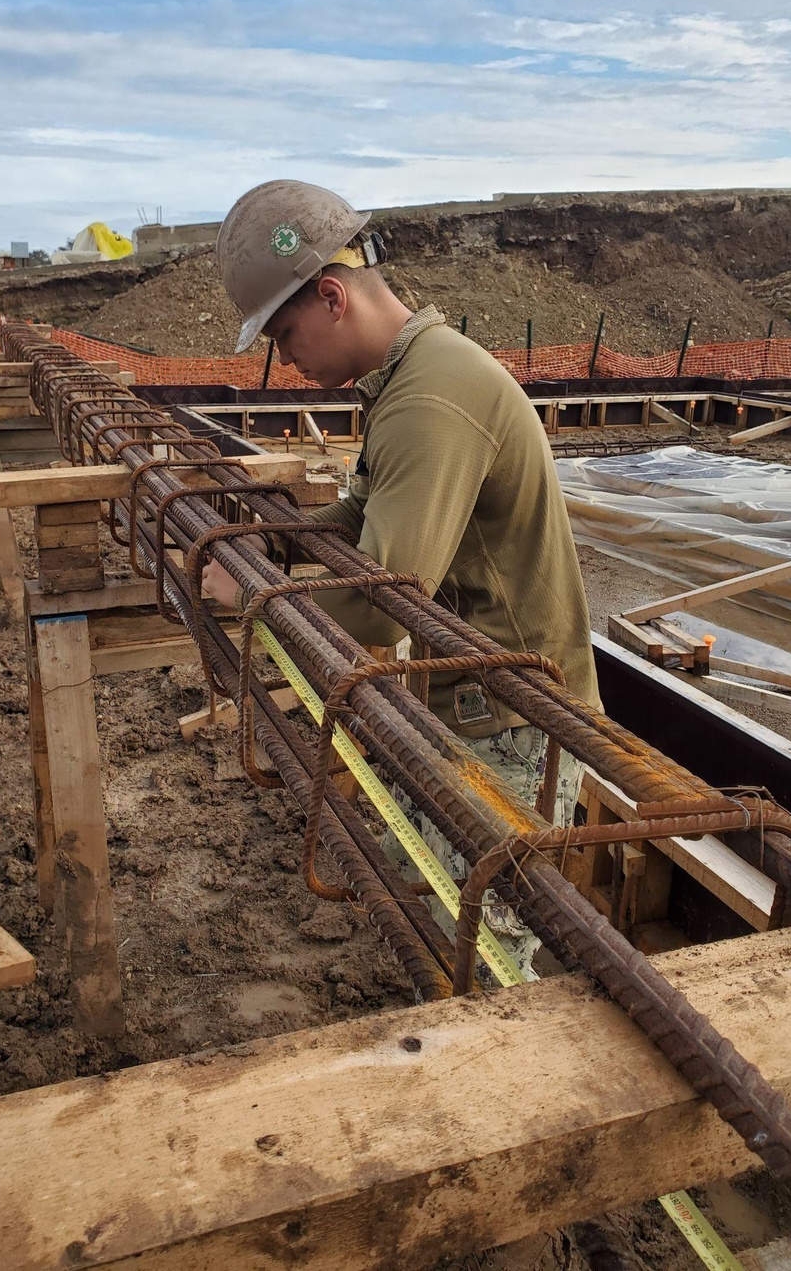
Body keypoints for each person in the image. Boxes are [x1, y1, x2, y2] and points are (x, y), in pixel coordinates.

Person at [205, 179, 601, 976]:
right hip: (472, 701)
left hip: (517, 728)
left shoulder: (432, 398)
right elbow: (357, 524)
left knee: (478, 961)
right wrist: (273, 539)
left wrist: (249, 595)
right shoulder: (407, 381)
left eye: (285, 335)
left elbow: (383, 608)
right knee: (436, 922)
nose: (286, 361)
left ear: (330, 296)